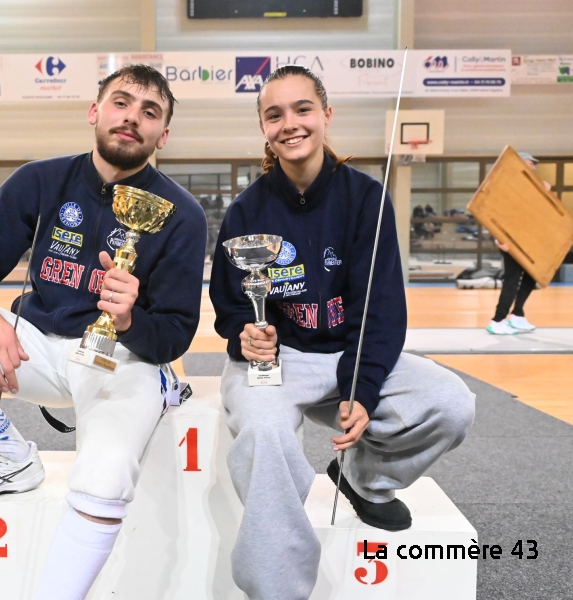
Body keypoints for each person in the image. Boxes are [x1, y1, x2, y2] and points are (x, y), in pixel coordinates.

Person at [0, 64, 206, 599]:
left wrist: (128, 319)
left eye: (150, 112)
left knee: (103, 479)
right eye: (121, 102)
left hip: (119, 360)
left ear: (162, 135)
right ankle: (7, 453)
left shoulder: (181, 214)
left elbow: (174, 333)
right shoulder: (40, 180)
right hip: (28, 347)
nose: (132, 118)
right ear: (94, 110)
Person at [209, 66, 476, 600]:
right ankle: (276, 588)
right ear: (263, 127)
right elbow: (228, 302)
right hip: (277, 361)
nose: (290, 123)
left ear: (326, 115)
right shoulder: (246, 211)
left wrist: (362, 387)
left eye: (302, 109)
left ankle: (364, 480)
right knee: (264, 435)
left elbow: (381, 312)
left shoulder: (366, 199)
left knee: (451, 403)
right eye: (274, 113)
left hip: (344, 355)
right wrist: (244, 332)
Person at [486, 151, 547, 335]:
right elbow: (494, 212)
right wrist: (499, 238)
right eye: (531, 163)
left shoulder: (533, 187)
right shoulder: (508, 186)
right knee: (512, 281)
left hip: (527, 241)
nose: (534, 167)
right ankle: (497, 320)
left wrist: (545, 194)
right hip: (510, 243)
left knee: (530, 277)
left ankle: (517, 314)